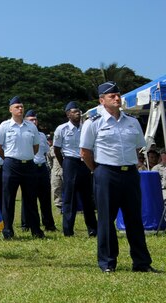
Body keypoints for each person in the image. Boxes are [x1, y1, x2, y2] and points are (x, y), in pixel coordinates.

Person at [79, 82, 157, 273]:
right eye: (112, 95)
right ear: (102, 100)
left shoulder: (132, 121)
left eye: (118, 95)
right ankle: (107, 262)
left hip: (130, 173)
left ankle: (141, 263)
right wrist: (97, 170)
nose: (116, 98)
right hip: (106, 173)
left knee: (134, 219)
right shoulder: (93, 122)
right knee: (106, 220)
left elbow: (139, 146)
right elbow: (85, 152)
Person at [0, 96, 45, 239]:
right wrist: (8, 158)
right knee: (8, 200)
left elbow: (35, 146)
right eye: (17, 107)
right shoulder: (4, 126)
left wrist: (26, 156)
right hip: (11, 165)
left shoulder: (31, 126)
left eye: (21, 106)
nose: (20, 109)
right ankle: (8, 230)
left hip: (29, 164)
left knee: (31, 199)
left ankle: (35, 229)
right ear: (10, 109)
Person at [54, 102, 97, 237]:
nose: (77, 113)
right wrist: (65, 164)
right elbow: (56, 149)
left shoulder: (86, 128)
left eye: (78, 110)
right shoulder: (62, 129)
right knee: (70, 198)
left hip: (84, 163)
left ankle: (92, 229)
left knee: (88, 198)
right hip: (70, 162)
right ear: (68, 114)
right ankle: (68, 230)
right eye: (74, 111)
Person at [26, 110, 58, 232]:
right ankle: (28, 224)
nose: (34, 122)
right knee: (29, 198)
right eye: (31, 120)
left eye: (35, 119)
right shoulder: (25, 133)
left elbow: (45, 151)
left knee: (45, 198)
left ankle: (49, 224)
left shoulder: (42, 135)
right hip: (30, 166)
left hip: (42, 167)